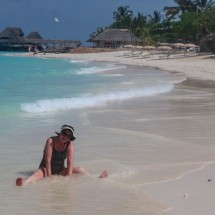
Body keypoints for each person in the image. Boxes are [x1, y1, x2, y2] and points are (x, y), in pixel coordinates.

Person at [16, 124, 108, 186]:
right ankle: (24, 183)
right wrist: (49, 177)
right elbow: (47, 160)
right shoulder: (50, 141)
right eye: (64, 134)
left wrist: (68, 178)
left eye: (69, 136)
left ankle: (96, 178)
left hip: (60, 170)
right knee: (36, 174)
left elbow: (70, 162)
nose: (65, 137)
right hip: (45, 169)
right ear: (60, 133)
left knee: (80, 169)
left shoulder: (70, 145)